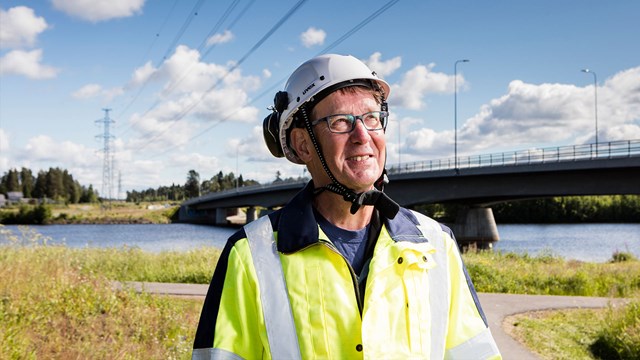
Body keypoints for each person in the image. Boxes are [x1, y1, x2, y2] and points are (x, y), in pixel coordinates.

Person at [192, 54, 501, 359]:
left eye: (371, 118)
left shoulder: (436, 245)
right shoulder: (250, 254)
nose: (363, 136)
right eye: (340, 122)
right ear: (303, 144)